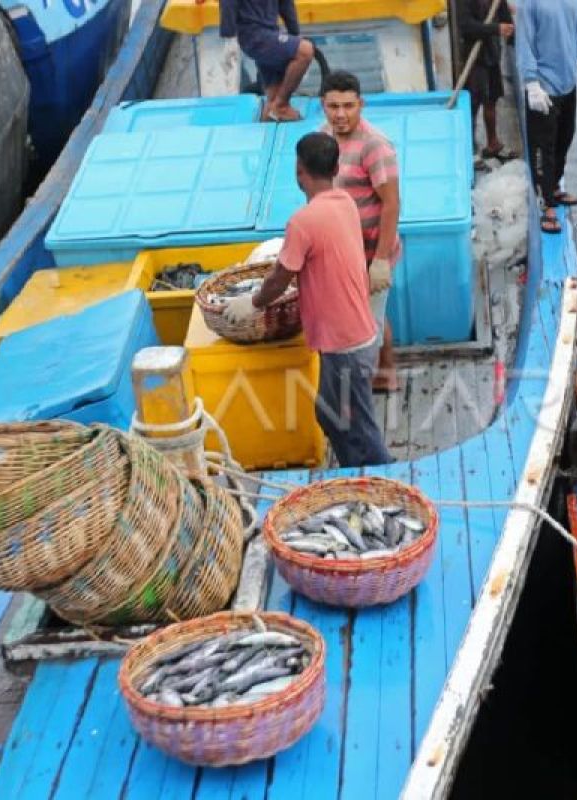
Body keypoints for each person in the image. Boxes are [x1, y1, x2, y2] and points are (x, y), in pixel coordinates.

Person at [221, 133, 392, 467]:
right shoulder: (344, 202)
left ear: (300, 172)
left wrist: (253, 304)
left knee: (361, 429)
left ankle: (386, 481)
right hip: (354, 337)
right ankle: (352, 473)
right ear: (336, 168)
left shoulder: (302, 222)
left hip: (346, 346)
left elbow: (280, 277)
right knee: (330, 417)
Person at [320, 70, 402, 393]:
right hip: (343, 252)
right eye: (334, 106)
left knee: (371, 319)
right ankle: (383, 371)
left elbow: (391, 204)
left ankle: (376, 376)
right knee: (370, 316)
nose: (341, 114)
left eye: (348, 106)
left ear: (361, 105)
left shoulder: (374, 146)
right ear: (322, 106)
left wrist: (380, 260)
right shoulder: (323, 139)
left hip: (371, 252)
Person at [515, 0, 577, 234]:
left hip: (567, 82)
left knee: (565, 138)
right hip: (544, 86)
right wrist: (531, 83)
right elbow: (524, 45)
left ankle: (556, 186)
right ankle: (546, 204)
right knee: (543, 149)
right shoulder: (529, 4)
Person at [219, 0, 314, 122]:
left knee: (272, 99)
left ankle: (273, 110)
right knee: (305, 51)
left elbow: (286, 4)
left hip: (271, 33)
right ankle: (281, 105)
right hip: (253, 35)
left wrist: (294, 32)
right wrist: (229, 36)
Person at [458, 0, 516, 160]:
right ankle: (470, 150)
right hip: (474, 57)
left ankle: (493, 143)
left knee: (492, 99)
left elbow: (505, 18)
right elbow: (465, 26)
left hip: (492, 53)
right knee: (473, 104)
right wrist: (496, 29)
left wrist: (513, 35)